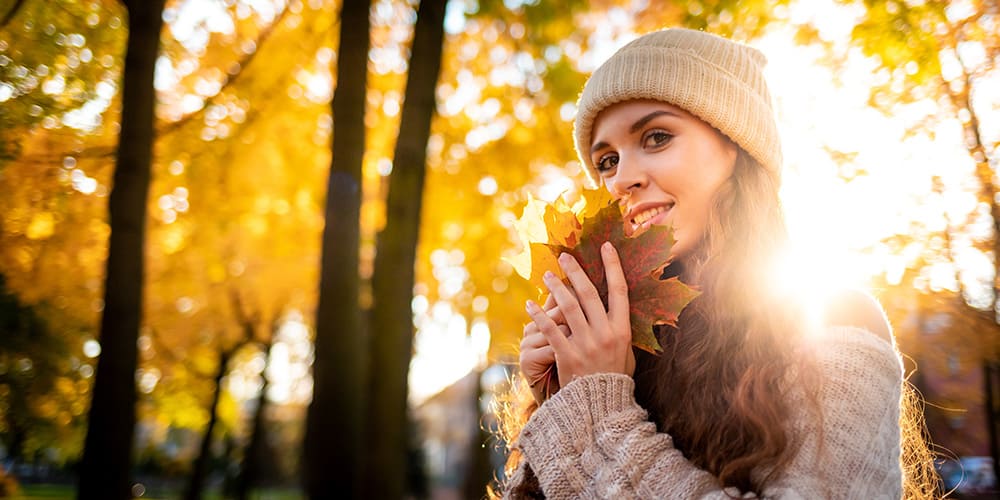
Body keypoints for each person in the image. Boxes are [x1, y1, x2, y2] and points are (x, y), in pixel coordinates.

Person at [495, 28, 938, 499]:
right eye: (606, 161)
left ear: (737, 146)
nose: (621, 178)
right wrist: (560, 401)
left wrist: (598, 412)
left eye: (657, 137)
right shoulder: (630, 344)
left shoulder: (832, 320)